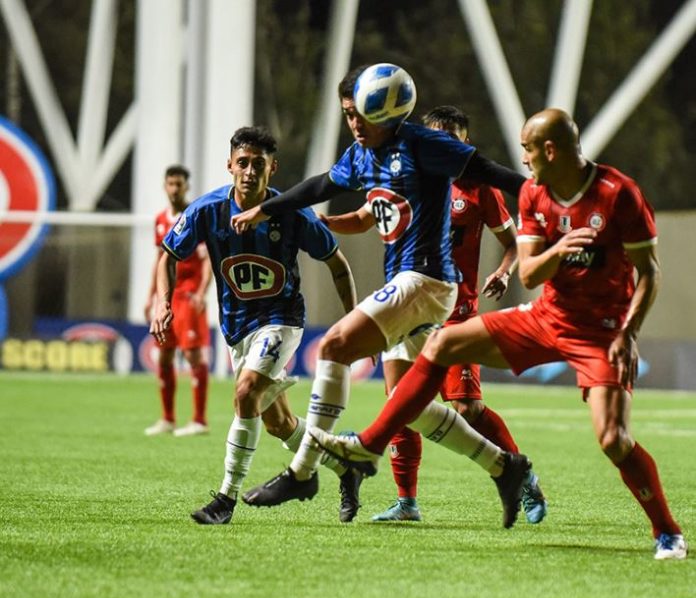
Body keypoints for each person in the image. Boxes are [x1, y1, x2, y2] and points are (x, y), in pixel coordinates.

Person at [311, 108, 688, 559]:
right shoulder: (533, 195)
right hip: (545, 315)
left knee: (612, 439)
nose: (523, 161)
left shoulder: (618, 194)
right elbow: (529, 271)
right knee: (442, 347)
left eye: (528, 150)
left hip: (601, 333)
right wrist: (559, 251)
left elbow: (650, 272)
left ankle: (667, 531)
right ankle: (372, 456)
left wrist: (628, 333)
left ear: (551, 149)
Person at [233, 64, 533, 529]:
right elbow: (320, 186)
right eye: (347, 114)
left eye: (361, 114)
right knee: (404, 405)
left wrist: (552, 195)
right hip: (407, 283)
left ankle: (304, 471)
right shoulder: (360, 154)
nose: (354, 123)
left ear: (385, 109)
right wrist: (266, 208)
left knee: (333, 346)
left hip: (427, 280)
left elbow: (491, 172)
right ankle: (505, 466)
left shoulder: (421, 143)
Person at [150, 127, 361, 525]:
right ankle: (345, 462)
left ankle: (225, 499)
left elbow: (338, 263)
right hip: (237, 329)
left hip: (281, 321)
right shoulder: (207, 210)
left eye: (258, 164)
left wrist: (354, 320)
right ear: (229, 165)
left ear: (272, 168)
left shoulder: (291, 213)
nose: (249, 171)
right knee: (278, 422)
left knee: (245, 392)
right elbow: (168, 256)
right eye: (242, 163)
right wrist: (163, 303)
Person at [372, 106, 546, 523]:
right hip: (407, 308)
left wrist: (505, 273)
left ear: (465, 144)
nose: (447, 146)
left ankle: (521, 475)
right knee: (400, 404)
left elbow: (512, 241)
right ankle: (407, 502)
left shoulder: (480, 189)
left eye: (455, 138)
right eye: (439, 137)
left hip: (456, 312)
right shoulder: (408, 180)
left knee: (467, 408)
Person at [143, 165, 212, 437]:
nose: (174, 189)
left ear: (187, 187)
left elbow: (206, 261)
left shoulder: (194, 216)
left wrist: (201, 293)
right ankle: (168, 418)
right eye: (170, 183)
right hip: (167, 297)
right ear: (165, 186)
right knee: (164, 355)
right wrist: (152, 296)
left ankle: (199, 420)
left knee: (194, 355)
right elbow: (160, 261)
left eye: (179, 184)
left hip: (188, 296)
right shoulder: (160, 219)